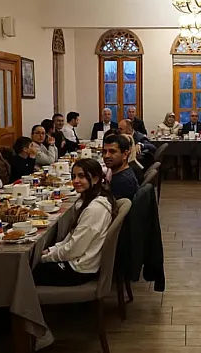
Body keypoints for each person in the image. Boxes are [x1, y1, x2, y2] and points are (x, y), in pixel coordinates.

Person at [33, 158, 117, 349]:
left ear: (95, 178)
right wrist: (52, 249)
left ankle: (39, 332)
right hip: (80, 260)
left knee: (25, 273)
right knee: (34, 262)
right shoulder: (92, 200)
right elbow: (71, 239)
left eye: (81, 176)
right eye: (74, 176)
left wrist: (44, 257)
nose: (76, 181)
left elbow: (73, 250)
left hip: (79, 269)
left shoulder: (95, 209)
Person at [102, 134, 139, 199]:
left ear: (125, 154)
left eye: (112, 151)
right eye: (104, 152)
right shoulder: (123, 173)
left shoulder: (122, 182)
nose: (106, 156)